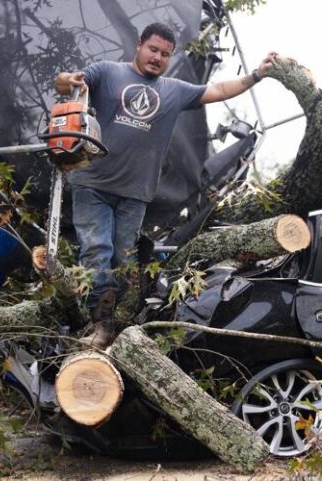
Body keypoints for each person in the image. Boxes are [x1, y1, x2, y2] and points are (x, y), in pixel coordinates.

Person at [54, 22, 276, 348]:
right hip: (93, 183)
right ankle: (98, 328)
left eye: (165, 54)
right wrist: (65, 80)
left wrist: (256, 74)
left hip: (135, 193)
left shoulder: (173, 90)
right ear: (139, 45)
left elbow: (218, 90)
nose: (157, 58)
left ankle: (116, 323)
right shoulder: (107, 71)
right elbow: (65, 84)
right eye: (153, 50)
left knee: (122, 259)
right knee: (96, 250)